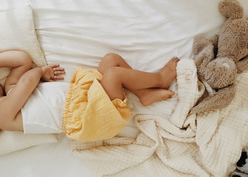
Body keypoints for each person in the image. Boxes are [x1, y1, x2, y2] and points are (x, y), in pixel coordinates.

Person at [0, 50, 179, 141]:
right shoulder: (3, 117)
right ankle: (160, 79)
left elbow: (22, 59)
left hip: (84, 99)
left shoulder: (10, 87)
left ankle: (144, 94)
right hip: (87, 118)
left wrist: (37, 73)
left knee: (111, 60)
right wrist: (39, 71)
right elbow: (27, 83)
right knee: (114, 75)